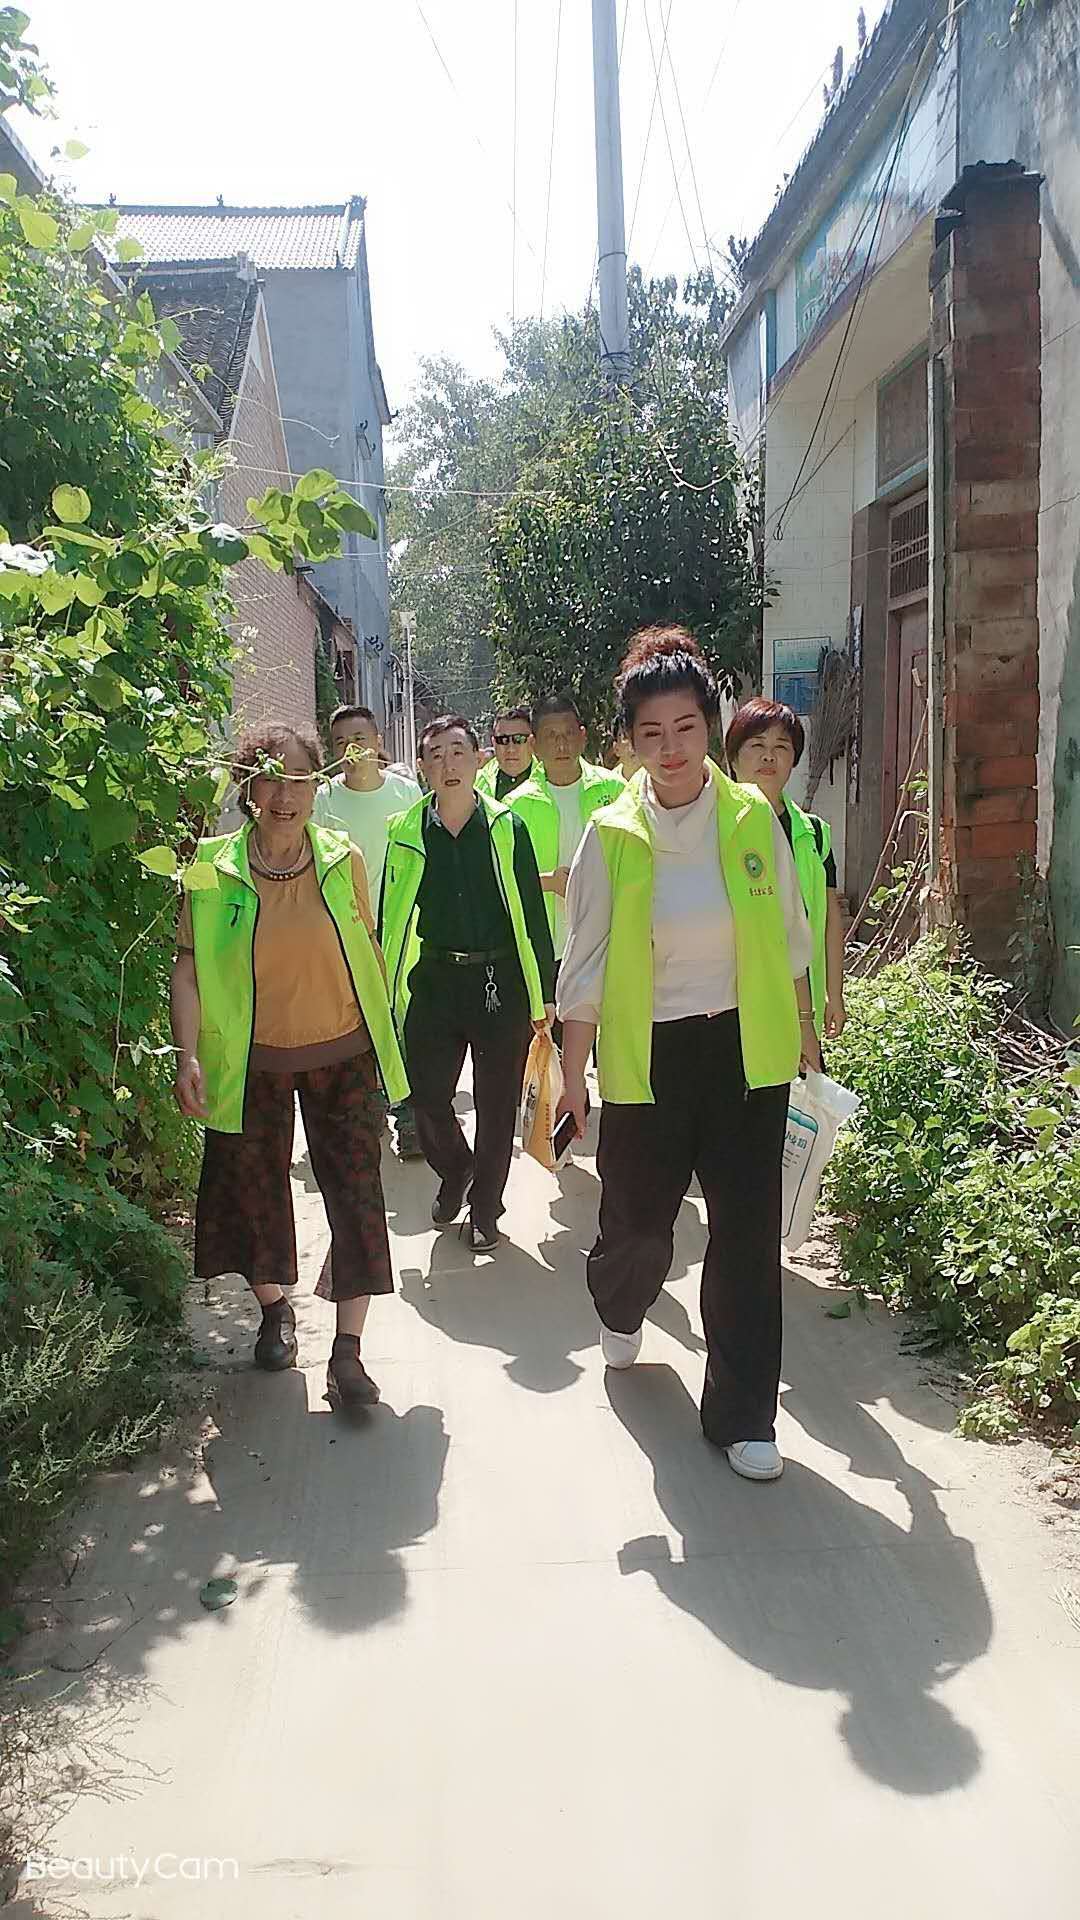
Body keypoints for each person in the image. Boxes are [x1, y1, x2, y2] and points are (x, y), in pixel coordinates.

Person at [556, 629, 821, 1482]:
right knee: (637, 1226)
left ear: (710, 726)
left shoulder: (751, 818)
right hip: (649, 1054)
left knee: (745, 1239)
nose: (670, 749)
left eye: (685, 728)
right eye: (651, 733)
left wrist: (806, 1036)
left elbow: (790, 940)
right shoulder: (612, 833)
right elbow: (585, 962)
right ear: (629, 742)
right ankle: (620, 1303)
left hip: (746, 1054)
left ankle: (743, 1416)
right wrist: (572, 1074)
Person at [171, 723, 408, 1412]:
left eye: (299, 780)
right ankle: (275, 1310)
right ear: (247, 789)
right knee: (250, 1196)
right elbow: (188, 967)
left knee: (357, 1197)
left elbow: (367, 948)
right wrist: (188, 1053)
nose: (284, 796)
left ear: (316, 786)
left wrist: (387, 1043)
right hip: (250, 1062)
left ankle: (348, 1353)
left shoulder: (341, 858)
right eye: (269, 780)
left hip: (344, 1054)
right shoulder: (212, 867)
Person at [380, 715, 555, 1253]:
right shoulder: (406, 831)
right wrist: (382, 989)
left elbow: (532, 913)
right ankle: (457, 1169)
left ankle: (485, 1209)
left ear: (478, 760)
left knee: (496, 1104)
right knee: (425, 1095)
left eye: (458, 752)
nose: (448, 765)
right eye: (435, 755)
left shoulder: (507, 827)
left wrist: (544, 993)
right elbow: (391, 916)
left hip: (500, 981)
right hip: (435, 978)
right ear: (421, 767)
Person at [312, 703, 424, 1155]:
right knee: (359, 1020)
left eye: (359, 739)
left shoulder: (405, 793)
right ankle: (371, 1105)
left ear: (378, 742)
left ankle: (410, 1117)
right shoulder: (323, 800)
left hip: (401, 928)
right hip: (348, 930)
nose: (351, 750)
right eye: (340, 742)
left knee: (404, 1019)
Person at [725, 697, 846, 1039]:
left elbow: (830, 917)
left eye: (781, 747)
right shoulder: (713, 827)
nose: (769, 756)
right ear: (733, 757)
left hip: (800, 1001)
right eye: (756, 745)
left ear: (793, 759)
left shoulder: (814, 833)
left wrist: (834, 993)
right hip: (733, 1001)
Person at [508, 693, 622, 1000]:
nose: (561, 745)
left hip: (607, 941)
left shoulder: (615, 791)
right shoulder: (515, 806)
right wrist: (549, 882)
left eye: (569, 734)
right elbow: (503, 880)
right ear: (534, 745)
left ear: (582, 736)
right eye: (551, 736)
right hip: (548, 946)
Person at [475, 705, 540, 800]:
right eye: (503, 740)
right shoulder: (475, 784)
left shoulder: (550, 780)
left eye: (518, 739)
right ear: (494, 743)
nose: (511, 749)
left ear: (532, 742)